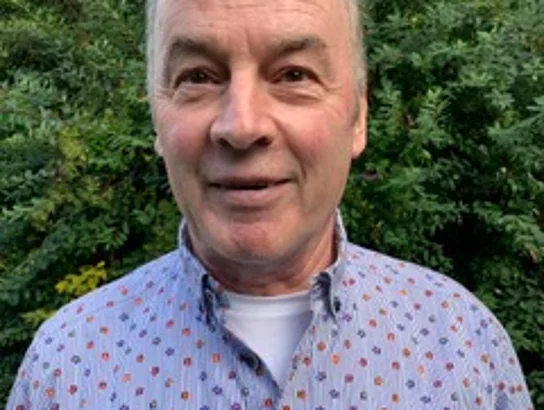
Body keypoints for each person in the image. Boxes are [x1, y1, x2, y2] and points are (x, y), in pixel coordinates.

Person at [7, 0, 533, 408]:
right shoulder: (67, 368)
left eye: (294, 74)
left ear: (358, 116)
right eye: (198, 76)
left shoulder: (464, 347)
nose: (242, 126)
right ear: (157, 122)